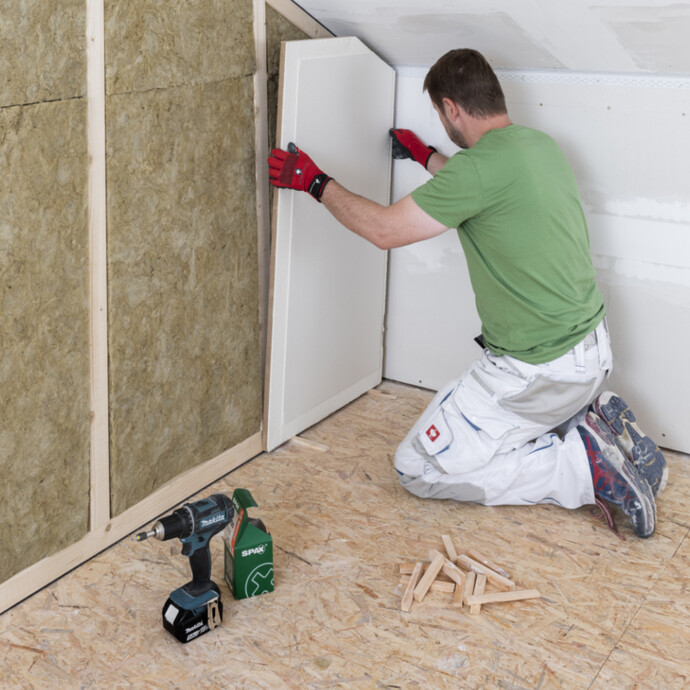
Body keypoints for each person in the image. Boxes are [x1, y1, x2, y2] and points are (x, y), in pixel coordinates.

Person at [267, 48, 667, 538]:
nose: (442, 122)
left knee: (419, 467)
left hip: (538, 374)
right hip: (591, 356)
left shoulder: (475, 173)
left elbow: (386, 230)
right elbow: (482, 186)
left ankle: (583, 469)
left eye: (440, 114)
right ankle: (601, 429)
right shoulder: (539, 147)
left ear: (451, 109)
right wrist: (425, 156)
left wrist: (315, 181)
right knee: (494, 441)